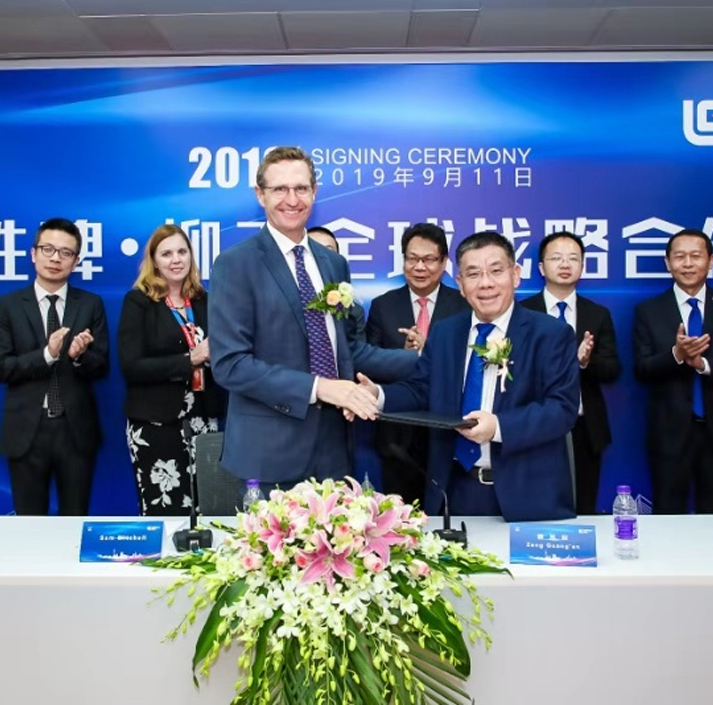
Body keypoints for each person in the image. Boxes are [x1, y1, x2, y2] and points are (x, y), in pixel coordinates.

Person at [209, 146, 416, 495]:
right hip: (269, 453)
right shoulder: (235, 264)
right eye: (280, 189)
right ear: (260, 194)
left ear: (315, 191)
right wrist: (320, 388)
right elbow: (231, 365)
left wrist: (429, 357)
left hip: (334, 449)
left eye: (301, 188)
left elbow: (347, 349)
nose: (292, 200)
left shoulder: (332, 263)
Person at [360, 231, 579, 521]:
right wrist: (377, 395)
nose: (485, 283)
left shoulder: (551, 334)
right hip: (454, 489)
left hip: (526, 494)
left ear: (515, 275)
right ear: (461, 284)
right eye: (473, 274)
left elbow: (561, 409)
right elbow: (421, 389)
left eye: (496, 271)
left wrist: (498, 426)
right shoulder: (446, 332)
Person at [633, 228, 713, 514]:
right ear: (667, 262)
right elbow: (642, 369)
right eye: (680, 257)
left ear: (711, 261)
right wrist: (677, 354)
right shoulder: (648, 311)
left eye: (696, 256)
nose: (687, 264)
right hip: (669, 434)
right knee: (668, 517)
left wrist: (703, 364)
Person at [0, 217, 109, 515]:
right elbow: (3, 367)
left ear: (76, 261)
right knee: (30, 524)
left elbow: (102, 367)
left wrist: (78, 356)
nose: (55, 258)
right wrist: (47, 355)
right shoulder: (7, 306)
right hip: (26, 432)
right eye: (47, 249)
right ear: (33, 254)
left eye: (65, 252)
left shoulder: (90, 304)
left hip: (75, 432)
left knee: (75, 519)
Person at [117, 224, 225, 516]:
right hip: (156, 422)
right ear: (154, 261)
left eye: (182, 252)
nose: (176, 260)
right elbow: (131, 366)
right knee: (164, 508)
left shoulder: (204, 300)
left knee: (207, 507)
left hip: (204, 417)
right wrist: (190, 359)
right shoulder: (138, 301)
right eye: (166, 254)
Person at [366, 223, 469, 504]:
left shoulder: (464, 305)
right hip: (397, 436)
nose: (419, 267)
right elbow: (369, 363)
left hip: (449, 429)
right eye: (412, 258)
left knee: (449, 512)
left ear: (444, 262)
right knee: (400, 516)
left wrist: (429, 351)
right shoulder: (383, 305)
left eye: (428, 259)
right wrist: (403, 356)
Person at [521, 231, 621, 515]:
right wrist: (565, 362)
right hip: (533, 425)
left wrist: (586, 362)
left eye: (573, 258)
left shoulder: (597, 314)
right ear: (541, 267)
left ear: (582, 266)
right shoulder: (522, 312)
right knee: (534, 508)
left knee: (583, 508)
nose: (565, 264)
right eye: (556, 258)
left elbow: (613, 369)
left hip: (584, 428)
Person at [307, 226, 366, 343]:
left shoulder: (353, 311)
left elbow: (356, 350)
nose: (320, 258)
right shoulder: (282, 304)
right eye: (313, 251)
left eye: (328, 252)